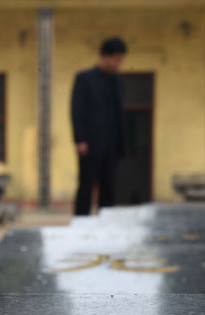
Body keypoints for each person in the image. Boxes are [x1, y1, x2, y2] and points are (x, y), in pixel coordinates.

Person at [71, 37, 127, 216]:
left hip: (112, 145)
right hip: (90, 145)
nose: (119, 64)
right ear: (105, 56)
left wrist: (121, 143)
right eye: (117, 60)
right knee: (86, 186)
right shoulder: (85, 79)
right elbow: (76, 110)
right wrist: (80, 139)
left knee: (109, 188)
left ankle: (106, 223)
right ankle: (81, 224)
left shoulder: (118, 81)